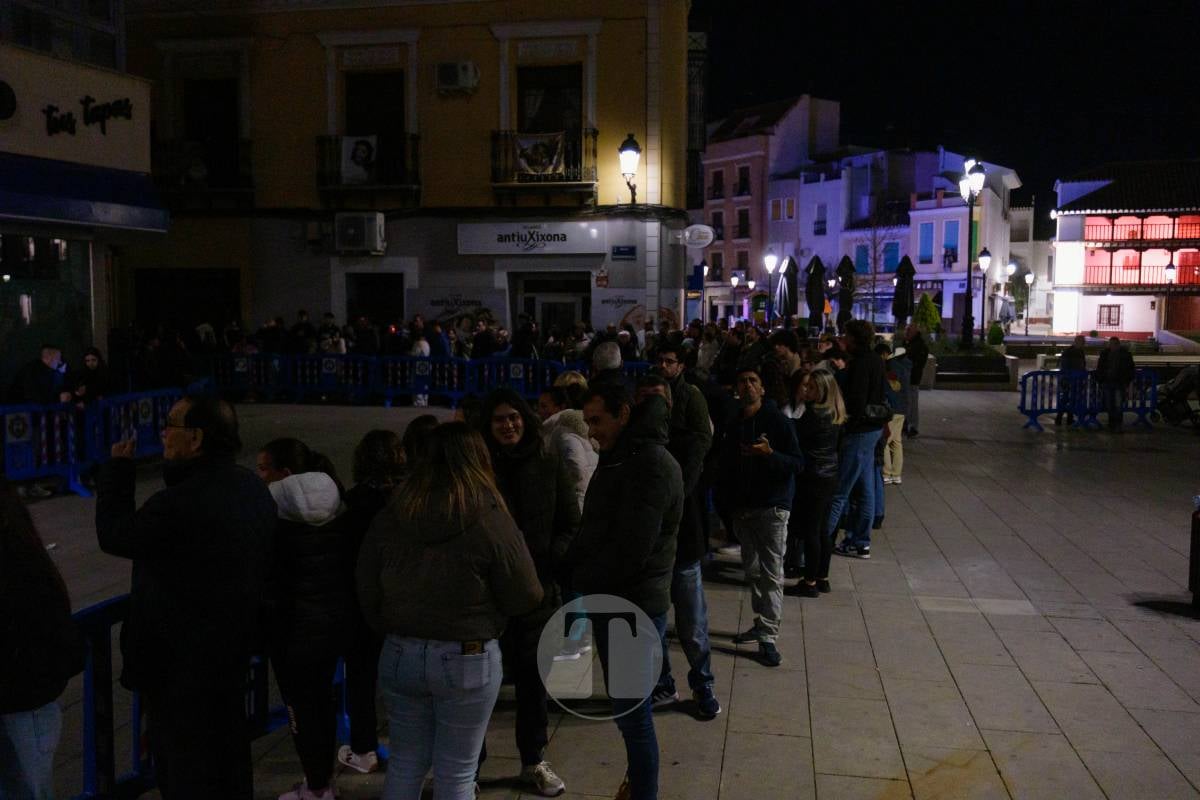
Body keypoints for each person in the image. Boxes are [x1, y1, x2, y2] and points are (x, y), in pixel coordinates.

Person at [95, 395, 276, 798]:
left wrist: (117, 473)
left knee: (185, 772)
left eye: (171, 424)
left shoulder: (178, 505)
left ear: (195, 439)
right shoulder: (250, 488)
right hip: (230, 654)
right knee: (228, 762)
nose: (163, 432)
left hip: (178, 667)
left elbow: (116, 534)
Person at [356, 423, 543, 800]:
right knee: (456, 773)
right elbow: (526, 594)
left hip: (400, 652)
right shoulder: (489, 517)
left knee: (406, 765)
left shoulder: (394, 513)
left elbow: (366, 585)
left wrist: (392, 626)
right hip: (466, 654)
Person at [564, 387, 682, 800]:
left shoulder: (648, 465)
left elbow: (632, 550)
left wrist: (583, 574)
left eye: (597, 421)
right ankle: (636, 785)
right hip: (618, 602)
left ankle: (643, 792)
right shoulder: (626, 458)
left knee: (633, 717)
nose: (592, 433)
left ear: (624, 414)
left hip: (631, 608)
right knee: (629, 712)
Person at [477, 389, 580, 796]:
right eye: (499, 419)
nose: (508, 425)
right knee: (480, 686)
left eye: (514, 417)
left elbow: (570, 523)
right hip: (487, 598)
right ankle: (470, 766)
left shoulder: (548, 461)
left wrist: (547, 565)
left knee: (534, 684)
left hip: (536, 592)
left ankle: (533, 760)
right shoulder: (479, 469)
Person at [256, 439, 352, 800]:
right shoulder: (336, 503)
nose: (260, 476)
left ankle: (315, 788)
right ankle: (322, 782)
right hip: (330, 625)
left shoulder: (271, 513)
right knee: (323, 704)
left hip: (291, 632)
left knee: (300, 711)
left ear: (284, 473)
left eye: (264, 469)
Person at [641, 343, 720, 717]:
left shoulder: (688, 436)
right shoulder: (636, 444)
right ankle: (662, 685)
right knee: (654, 624)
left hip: (683, 542)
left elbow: (689, 478)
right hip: (652, 550)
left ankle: (702, 684)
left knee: (692, 622)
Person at [1, 478, 83, 799]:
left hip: (25, 700)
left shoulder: (22, 567)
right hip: (27, 698)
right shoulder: (28, 555)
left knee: (29, 786)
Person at [718, 367, 802, 667]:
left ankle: (768, 636)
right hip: (743, 509)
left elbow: (796, 463)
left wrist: (769, 455)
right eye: (743, 381)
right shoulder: (734, 421)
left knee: (771, 573)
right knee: (753, 571)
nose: (748, 386)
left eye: (754, 380)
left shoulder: (777, 421)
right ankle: (761, 621)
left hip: (772, 508)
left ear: (763, 388)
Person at [338, 429, 409, 776]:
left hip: (359, 606)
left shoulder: (351, 505)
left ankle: (363, 747)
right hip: (402, 604)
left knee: (361, 680)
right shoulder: (408, 501)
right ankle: (408, 747)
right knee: (404, 683)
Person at [828, 320, 887, 560]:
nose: (843, 339)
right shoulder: (873, 359)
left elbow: (856, 400)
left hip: (860, 430)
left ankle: (819, 541)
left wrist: (846, 424)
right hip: (872, 428)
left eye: (846, 336)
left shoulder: (862, 363)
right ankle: (859, 542)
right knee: (864, 488)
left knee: (840, 490)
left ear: (853, 338)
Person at [788, 370, 844, 597]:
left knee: (811, 530)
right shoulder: (834, 413)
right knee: (822, 531)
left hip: (813, 477)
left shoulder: (814, 414)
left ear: (821, 390)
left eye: (811, 387)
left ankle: (809, 581)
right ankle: (822, 577)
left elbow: (795, 435)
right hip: (829, 475)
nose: (806, 390)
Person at [537, 386, 598, 514]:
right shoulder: (561, 429)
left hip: (577, 500)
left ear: (560, 407)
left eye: (544, 406)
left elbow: (576, 467)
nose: (539, 411)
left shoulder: (564, 432)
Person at [876, 343, 911, 485]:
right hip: (902, 408)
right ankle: (896, 474)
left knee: (885, 440)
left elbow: (886, 390)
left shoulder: (888, 367)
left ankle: (886, 472)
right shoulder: (903, 367)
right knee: (896, 442)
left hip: (891, 409)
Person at [7, 345, 71, 404]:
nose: (60, 362)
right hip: (19, 410)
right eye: (58, 358)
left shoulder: (44, 371)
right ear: (50, 357)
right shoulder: (33, 371)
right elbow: (33, 395)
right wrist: (58, 398)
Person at [1096, 336, 1135, 433]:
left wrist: (1126, 380)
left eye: (1113, 344)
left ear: (1117, 345)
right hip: (1110, 382)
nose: (1111, 346)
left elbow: (1130, 369)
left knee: (1117, 404)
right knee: (1110, 404)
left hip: (1118, 382)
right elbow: (1100, 368)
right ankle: (1113, 422)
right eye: (1110, 344)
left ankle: (1117, 423)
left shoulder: (1124, 355)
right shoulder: (1107, 354)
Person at [903, 324, 929, 437]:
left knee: (911, 402)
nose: (906, 333)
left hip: (912, 378)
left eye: (908, 331)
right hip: (909, 377)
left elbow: (915, 363)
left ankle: (912, 426)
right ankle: (908, 424)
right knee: (908, 402)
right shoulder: (911, 344)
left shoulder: (918, 346)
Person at [1056, 334, 1088, 426]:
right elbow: (1066, 366)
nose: (1083, 344)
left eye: (1083, 342)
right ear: (1076, 342)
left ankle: (1068, 418)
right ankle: (1060, 418)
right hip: (1069, 379)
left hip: (1074, 379)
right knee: (1066, 399)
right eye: (1082, 342)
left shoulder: (1078, 351)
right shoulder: (1070, 352)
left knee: (1070, 399)